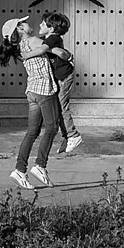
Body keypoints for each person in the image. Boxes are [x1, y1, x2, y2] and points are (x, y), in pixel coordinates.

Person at [4, 14, 62, 189]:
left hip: (32, 91)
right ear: (21, 29)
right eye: (24, 23)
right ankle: (40, 166)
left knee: (32, 132)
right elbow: (57, 51)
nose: (30, 24)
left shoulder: (19, 46)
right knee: (52, 127)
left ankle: (20, 170)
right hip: (44, 90)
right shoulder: (35, 41)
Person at [39, 12, 82, 153]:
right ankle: (67, 136)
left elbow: (43, 49)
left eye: (43, 24)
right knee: (58, 107)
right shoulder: (48, 38)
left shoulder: (52, 38)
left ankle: (73, 135)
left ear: (51, 29)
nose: (40, 25)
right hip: (59, 76)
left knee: (63, 107)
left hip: (64, 76)